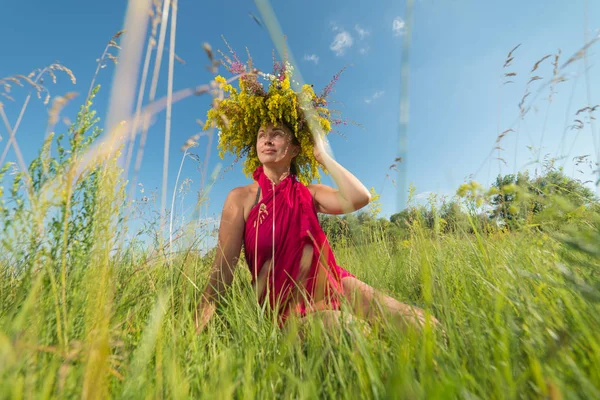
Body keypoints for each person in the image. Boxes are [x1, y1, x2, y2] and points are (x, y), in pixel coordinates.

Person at [195, 51, 439, 333]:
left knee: (420, 324)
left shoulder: (309, 193)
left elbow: (360, 197)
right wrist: (196, 332)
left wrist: (323, 155)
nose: (267, 139)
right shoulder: (241, 198)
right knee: (349, 331)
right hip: (285, 304)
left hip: (335, 283)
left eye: (277, 133)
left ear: (295, 148)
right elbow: (223, 270)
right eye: (262, 134)